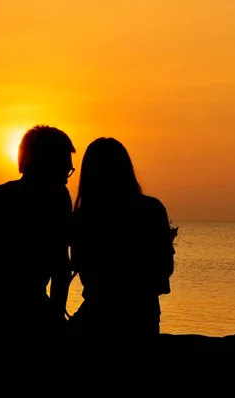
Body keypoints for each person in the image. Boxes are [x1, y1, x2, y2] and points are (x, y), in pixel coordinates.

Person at [0, 124, 76, 359]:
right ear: (49, 164)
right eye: (65, 168)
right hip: (21, 318)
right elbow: (60, 270)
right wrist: (54, 320)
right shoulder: (57, 199)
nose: (67, 177)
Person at [67, 137, 175, 356]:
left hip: (98, 316)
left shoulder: (83, 217)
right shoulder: (152, 209)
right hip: (143, 317)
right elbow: (164, 271)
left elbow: (80, 266)